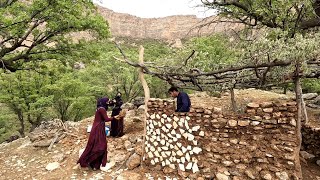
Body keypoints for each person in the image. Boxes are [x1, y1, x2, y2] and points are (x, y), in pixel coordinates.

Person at [76, 97, 120, 170]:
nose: (109, 102)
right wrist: (115, 117)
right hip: (98, 128)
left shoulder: (99, 108)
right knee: (101, 145)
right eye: (107, 101)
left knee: (95, 144)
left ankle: (95, 164)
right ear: (104, 102)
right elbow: (106, 119)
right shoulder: (102, 109)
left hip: (97, 127)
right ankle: (90, 161)